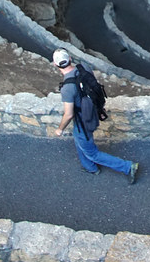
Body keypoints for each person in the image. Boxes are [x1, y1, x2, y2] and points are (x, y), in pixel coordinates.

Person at [52, 49, 138, 183]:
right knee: (79, 138)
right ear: (69, 58)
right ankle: (90, 167)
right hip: (92, 111)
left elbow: (68, 114)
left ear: (55, 65)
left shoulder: (67, 89)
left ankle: (127, 166)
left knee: (92, 153)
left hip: (83, 120)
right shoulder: (83, 68)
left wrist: (60, 129)